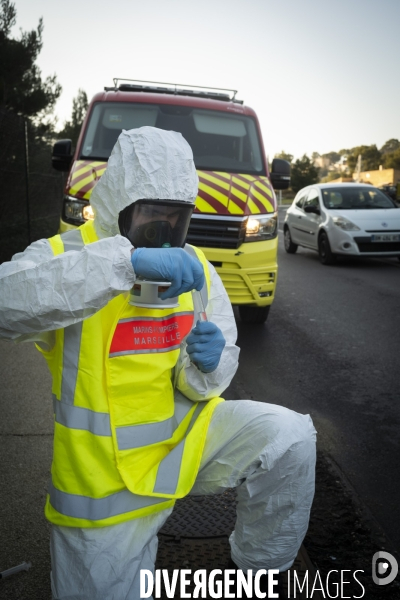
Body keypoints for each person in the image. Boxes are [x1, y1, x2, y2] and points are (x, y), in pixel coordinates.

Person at [0, 126, 316, 599]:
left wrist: (208, 366)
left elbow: (207, 381)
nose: (165, 233)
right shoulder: (67, 258)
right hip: (103, 495)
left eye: (177, 218)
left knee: (289, 438)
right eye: (151, 217)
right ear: (118, 207)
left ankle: (258, 568)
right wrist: (122, 264)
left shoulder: (197, 269)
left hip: (183, 446)